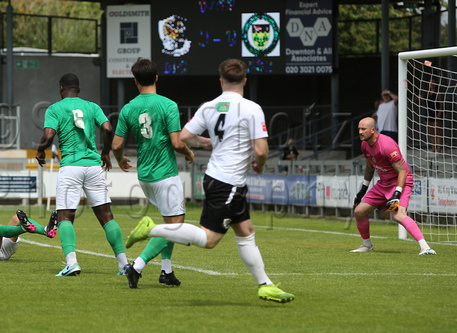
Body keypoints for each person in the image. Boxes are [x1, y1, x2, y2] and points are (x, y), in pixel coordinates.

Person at [125, 59, 295, 303]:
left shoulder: (210, 106)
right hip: (229, 182)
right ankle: (151, 229)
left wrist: (205, 142)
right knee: (209, 240)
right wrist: (260, 163)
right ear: (245, 80)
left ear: (220, 80)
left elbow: (185, 135)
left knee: (246, 231)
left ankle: (265, 284)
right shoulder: (252, 108)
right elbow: (260, 150)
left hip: (218, 178)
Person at [112, 58, 209, 289]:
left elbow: (116, 145)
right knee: (175, 226)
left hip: (145, 176)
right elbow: (177, 143)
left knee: (170, 221)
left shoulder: (128, 108)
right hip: (165, 174)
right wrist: (188, 152)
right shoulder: (168, 105)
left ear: (135, 81)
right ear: (156, 78)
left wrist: (120, 159)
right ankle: (136, 267)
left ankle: (166, 270)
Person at [36, 73, 128, 276]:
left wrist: (41, 149)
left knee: (65, 216)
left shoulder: (54, 108)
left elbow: (49, 135)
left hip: (71, 166)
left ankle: (72, 263)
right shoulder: (92, 107)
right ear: (79, 89)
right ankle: (123, 264)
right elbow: (107, 127)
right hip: (93, 166)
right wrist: (104, 152)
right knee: (106, 216)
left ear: (61, 88)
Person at [352, 117, 436, 255]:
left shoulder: (387, 145)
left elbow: (402, 172)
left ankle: (425, 247)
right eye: (359, 129)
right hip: (383, 184)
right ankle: (367, 245)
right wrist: (363, 190)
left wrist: (396, 194)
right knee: (359, 211)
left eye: (363, 129)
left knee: (398, 215)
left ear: (373, 130)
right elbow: (369, 168)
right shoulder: (364, 145)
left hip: (400, 181)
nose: (360, 132)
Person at [419, 79, 443, 156]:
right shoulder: (427, 94)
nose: (431, 84)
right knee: (431, 133)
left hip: (435, 114)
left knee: (437, 133)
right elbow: (424, 103)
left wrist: (438, 115)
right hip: (428, 115)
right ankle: (433, 150)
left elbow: (441, 104)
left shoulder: (438, 93)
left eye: (433, 82)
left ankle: (438, 151)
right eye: (430, 82)